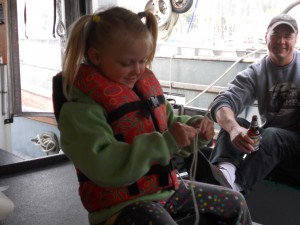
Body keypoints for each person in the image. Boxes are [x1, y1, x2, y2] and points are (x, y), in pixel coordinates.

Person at [54, 6, 253, 225]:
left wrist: (195, 130)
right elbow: (103, 166)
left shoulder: (143, 88)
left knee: (235, 203)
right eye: (127, 63)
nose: (138, 70)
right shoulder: (79, 110)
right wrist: (166, 143)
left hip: (166, 191)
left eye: (142, 61)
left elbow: (170, 126)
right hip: (120, 208)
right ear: (95, 57)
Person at [197, 13, 300, 196]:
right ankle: (225, 175)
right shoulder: (257, 72)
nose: (281, 41)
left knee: (272, 135)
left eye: (287, 35)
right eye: (276, 34)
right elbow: (222, 102)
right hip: (270, 144)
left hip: (294, 149)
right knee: (238, 123)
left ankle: (235, 190)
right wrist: (234, 129)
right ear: (266, 36)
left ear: (295, 39)